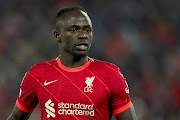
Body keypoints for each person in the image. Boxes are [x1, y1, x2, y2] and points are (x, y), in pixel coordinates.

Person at [8, 6, 137, 120]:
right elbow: (16, 117)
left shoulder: (110, 75)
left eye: (87, 30)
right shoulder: (37, 74)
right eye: (74, 30)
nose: (83, 35)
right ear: (58, 35)